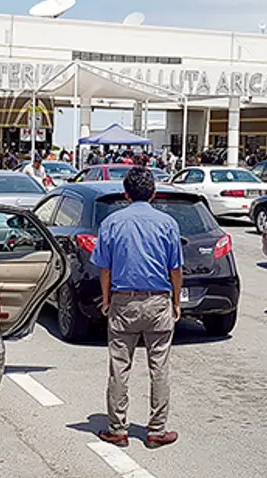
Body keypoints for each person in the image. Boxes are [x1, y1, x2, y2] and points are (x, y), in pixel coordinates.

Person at [92, 167, 181, 449]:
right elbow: (175, 268)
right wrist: (176, 301)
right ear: (153, 193)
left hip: (123, 300)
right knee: (160, 367)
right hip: (158, 300)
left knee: (119, 366)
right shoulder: (167, 223)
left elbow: (104, 268)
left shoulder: (112, 222)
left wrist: (106, 300)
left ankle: (118, 429)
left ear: (126, 194)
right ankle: (157, 430)